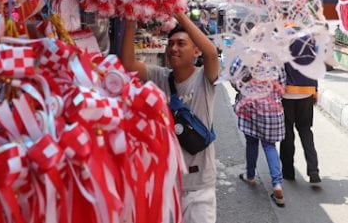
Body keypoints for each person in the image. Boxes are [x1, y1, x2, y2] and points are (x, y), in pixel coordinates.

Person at [120, 12, 220, 223]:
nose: (173, 48)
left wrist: (179, 15)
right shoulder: (160, 76)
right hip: (167, 183)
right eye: (170, 43)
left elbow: (211, 54)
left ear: (195, 51)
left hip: (199, 187)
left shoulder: (204, 78)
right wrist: (130, 19)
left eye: (181, 43)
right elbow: (128, 64)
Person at [231, 56, 287, 207]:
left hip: (250, 108)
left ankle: (250, 175)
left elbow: (234, 81)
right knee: (270, 146)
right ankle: (277, 184)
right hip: (271, 109)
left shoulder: (241, 57)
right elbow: (282, 85)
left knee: (251, 143)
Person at [280, 34, 321, 183]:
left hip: (287, 93)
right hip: (307, 92)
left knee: (287, 133)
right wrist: (315, 90)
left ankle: (288, 172)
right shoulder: (310, 38)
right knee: (305, 130)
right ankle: (313, 169)